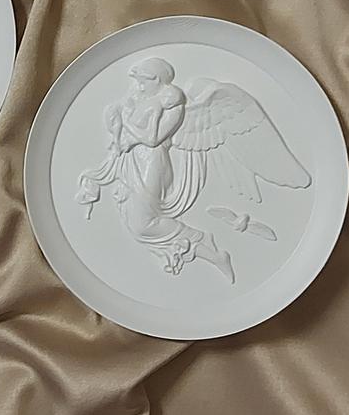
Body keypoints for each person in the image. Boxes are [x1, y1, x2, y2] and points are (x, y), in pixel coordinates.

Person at [77, 57, 235, 282]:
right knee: (136, 224)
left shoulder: (173, 107)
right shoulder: (140, 97)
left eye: (143, 82)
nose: (139, 86)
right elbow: (119, 121)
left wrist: (127, 124)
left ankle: (200, 238)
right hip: (132, 161)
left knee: (143, 224)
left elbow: (153, 139)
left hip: (153, 162)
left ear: (157, 80)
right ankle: (213, 254)